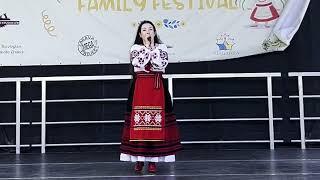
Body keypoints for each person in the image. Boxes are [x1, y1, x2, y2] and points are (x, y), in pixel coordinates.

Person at [120, 20, 182, 174]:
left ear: (154, 32)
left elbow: (160, 64)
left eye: (150, 29)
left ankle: (153, 161)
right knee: (140, 124)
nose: (148, 32)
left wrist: (152, 49)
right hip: (140, 87)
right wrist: (147, 48)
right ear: (140, 34)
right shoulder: (135, 48)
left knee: (156, 123)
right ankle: (140, 160)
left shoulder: (161, 47)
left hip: (157, 87)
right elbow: (138, 62)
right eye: (144, 30)